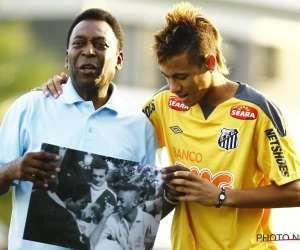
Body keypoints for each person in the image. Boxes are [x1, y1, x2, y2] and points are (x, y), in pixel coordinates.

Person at [38, 2, 300, 250]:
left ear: (209, 63)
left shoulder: (256, 112)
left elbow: (295, 191)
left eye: (182, 77)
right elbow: (114, 131)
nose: (174, 87)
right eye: (167, 77)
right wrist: (70, 88)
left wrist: (221, 196)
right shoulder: (164, 103)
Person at [0, 8, 156, 250]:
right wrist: (11, 170)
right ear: (67, 56)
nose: (88, 51)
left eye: (100, 44)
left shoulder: (139, 127)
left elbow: (141, 216)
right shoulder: (28, 108)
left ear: (119, 59)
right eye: (79, 43)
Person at [23, 177, 90, 249]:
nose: (85, 206)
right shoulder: (66, 221)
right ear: (69, 201)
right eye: (82, 202)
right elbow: (85, 247)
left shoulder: (37, 193)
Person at [90, 184, 158, 250]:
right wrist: (104, 218)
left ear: (134, 202)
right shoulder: (113, 219)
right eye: (117, 200)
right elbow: (92, 244)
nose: (117, 204)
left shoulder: (148, 220)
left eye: (122, 201)